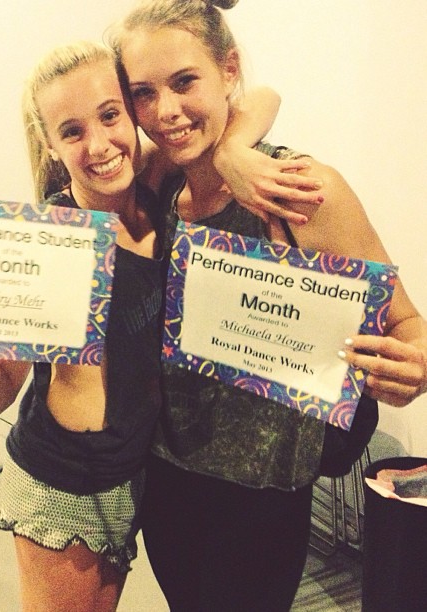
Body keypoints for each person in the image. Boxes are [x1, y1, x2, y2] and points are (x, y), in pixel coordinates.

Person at [0, 38, 325, 610]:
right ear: (50, 144)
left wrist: (234, 151)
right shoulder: (52, 239)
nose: (99, 145)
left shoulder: (156, 188)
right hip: (66, 482)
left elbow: (261, 96)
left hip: (139, 473)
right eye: (72, 132)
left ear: (132, 113)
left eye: (110, 115)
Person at [108, 0, 427, 610]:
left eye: (184, 82)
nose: (165, 111)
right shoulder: (158, 180)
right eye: (143, 93)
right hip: (168, 477)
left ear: (229, 70)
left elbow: (409, 324)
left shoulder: (300, 189)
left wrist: (416, 367)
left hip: (263, 497)